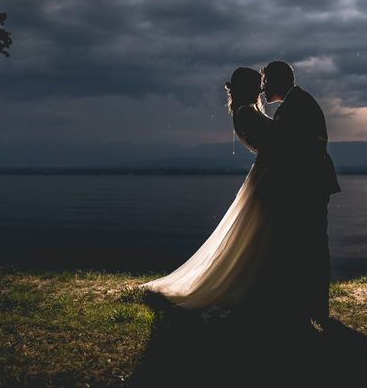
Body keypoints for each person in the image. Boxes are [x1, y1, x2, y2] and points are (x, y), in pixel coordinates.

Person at [139, 67, 284, 320]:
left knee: (255, 235)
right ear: (249, 87)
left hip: (266, 174)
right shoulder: (248, 113)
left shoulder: (242, 112)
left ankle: (264, 286)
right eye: (258, 84)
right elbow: (278, 139)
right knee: (259, 234)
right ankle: (255, 289)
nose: (262, 89)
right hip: (268, 176)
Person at [260, 60, 341, 327]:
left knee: (310, 245)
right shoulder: (298, 102)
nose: (263, 88)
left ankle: (314, 308)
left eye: (266, 81)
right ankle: (310, 306)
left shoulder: (295, 106)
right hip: (310, 184)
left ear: (278, 80)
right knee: (308, 244)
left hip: (308, 186)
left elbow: (289, 148)